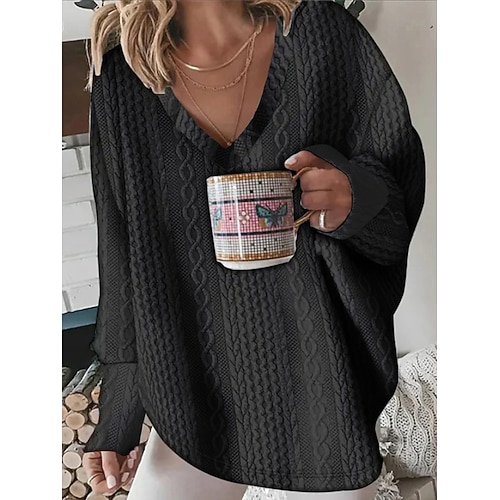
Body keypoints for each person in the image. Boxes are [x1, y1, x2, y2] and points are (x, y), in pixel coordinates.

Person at [81, 0, 426, 499]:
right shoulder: (122, 75)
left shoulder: (322, 36)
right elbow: (122, 261)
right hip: (193, 392)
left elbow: (396, 206)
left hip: (322, 387)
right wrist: (118, 414)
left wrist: (354, 197)